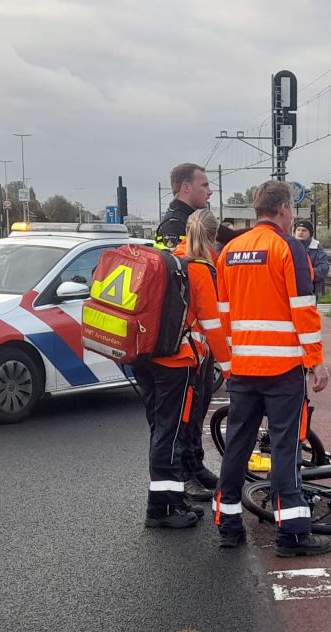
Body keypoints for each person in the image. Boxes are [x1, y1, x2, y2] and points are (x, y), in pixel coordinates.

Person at [213, 180, 331, 557]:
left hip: (244, 368)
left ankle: (227, 525)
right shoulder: (288, 248)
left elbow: (223, 315)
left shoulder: (230, 251)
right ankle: (292, 534)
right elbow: (303, 308)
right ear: (283, 210)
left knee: (237, 445)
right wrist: (315, 361)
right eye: (291, 210)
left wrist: (229, 365)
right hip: (282, 369)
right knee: (284, 446)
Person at [132, 209, 231, 529]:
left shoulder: (165, 259)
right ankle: (161, 510)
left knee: (159, 430)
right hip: (176, 362)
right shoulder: (199, 269)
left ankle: (172, 499)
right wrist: (229, 368)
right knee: (170, 434)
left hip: (144, 357)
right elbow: (213, 326)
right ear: (214, 237)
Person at [156, 163, 240, 499]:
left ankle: (195, 465)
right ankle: (182, 476)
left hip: (195, 344)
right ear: (185, 187)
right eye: (205, 185)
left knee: (198, 405)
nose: (209, 191)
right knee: (182, 416)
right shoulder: (175, 227)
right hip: (181, 341)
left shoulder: (193, 225)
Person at [293, 220, 329, 297]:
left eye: (304, 230)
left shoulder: (317, 249)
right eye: (298, 230)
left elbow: (323, 269)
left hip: (311, 293)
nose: (300, 232)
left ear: (310, 233)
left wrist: (304, 274)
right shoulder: (288, 246)